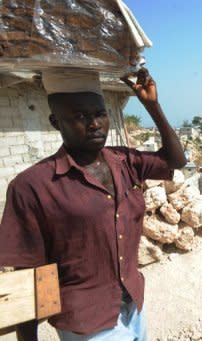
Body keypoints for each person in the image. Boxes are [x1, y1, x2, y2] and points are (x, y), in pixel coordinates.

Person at [0, 67, 186, 340]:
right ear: (54, 121)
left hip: (133, 305)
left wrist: (152, 106)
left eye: (100, 114)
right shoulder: (32, 186)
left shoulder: (125, 162)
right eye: (80, 116)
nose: (94, 124)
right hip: (86, 321)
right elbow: (28, 271)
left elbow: (176, 160)